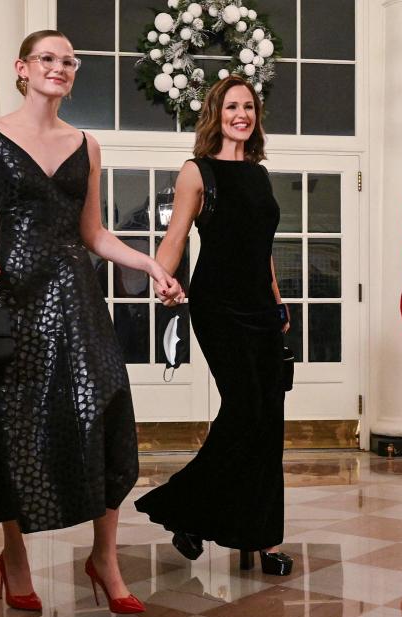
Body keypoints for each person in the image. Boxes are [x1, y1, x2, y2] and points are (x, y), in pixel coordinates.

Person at [0, 30, 181, 614]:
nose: (60, 67)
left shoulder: (87, 144)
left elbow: (94, 234)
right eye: (48, 59)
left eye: (69, 60)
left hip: (77, 294)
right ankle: (14, 555)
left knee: (103, 406)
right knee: (11, 423)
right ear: (23, 68)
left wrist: (153, 265)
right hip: (9, 292)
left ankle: (104, 558)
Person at [134, 75, 293, 576]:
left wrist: (276, 298)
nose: (240, 114)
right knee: (247, 410)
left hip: (262, 309)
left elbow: (261, 246)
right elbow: (176, 236)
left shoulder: (260, 174)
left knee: (268, 420)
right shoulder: (196, 171)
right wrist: (162, 276)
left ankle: (262, 538)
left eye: (248, 107)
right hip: (219, 307)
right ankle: (186, 509)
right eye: (231, 107)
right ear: (215, 114)